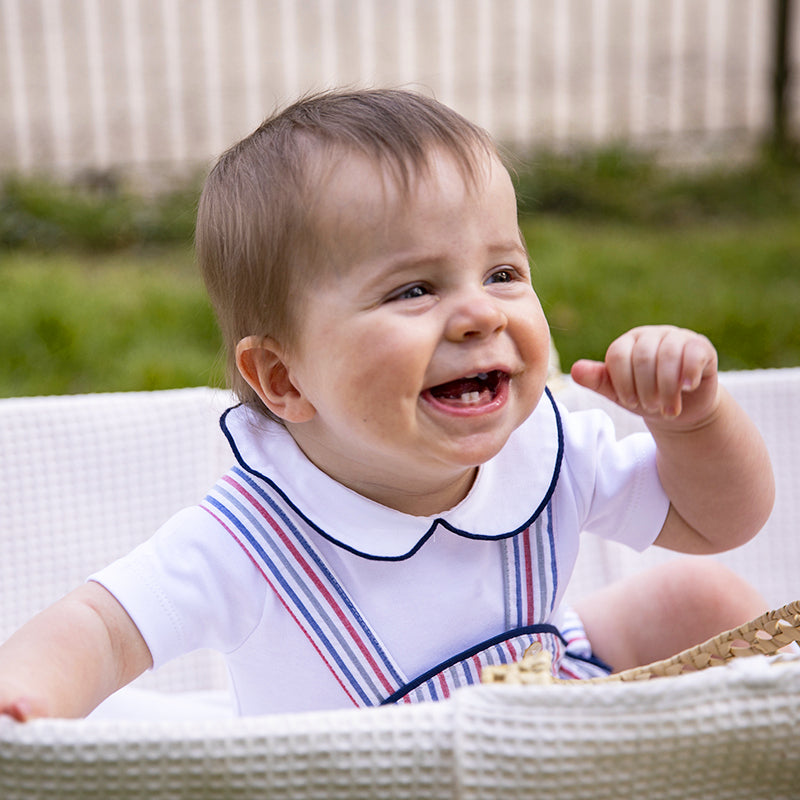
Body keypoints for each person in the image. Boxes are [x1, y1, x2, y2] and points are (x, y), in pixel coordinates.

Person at [0, 88, 775, 720]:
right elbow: (99, 629)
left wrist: (693, 423)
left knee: (696, 595)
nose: (481, 314)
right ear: (284, 380)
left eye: (503, 272)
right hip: (364, 772)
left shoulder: (544, 452)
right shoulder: (254, 534)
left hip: (545, 708)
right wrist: (23, 704)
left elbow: (721, 521)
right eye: (415, 289)